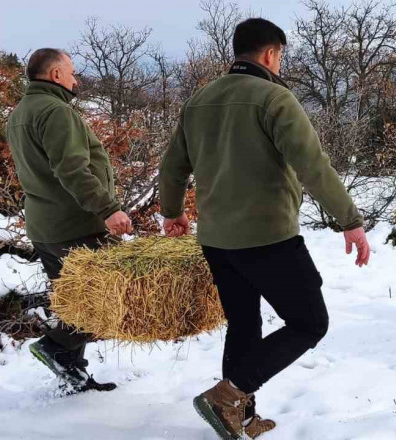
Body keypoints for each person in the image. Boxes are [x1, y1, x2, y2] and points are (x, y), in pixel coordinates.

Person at [157, 18, 371, 439]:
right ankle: (229, 395)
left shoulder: (199, 100)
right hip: (268, 237)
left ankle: (241, 415)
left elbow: (172, 166)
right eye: (281, 57)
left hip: (216, 239)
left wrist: (173, 211)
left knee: (243, 324)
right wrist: (350, 221)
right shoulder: (274, 98)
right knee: (310, 322)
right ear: (272, 54)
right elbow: (313, 165)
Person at [6, 48, 132, 392]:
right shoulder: (56, 112)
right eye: (72, 72)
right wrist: (108, 208)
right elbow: (72, 170)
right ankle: (56, 346)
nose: (76, 80)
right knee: (106, 297)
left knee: (74, 301)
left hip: (45, 228)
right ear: (56, 75)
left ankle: (74, 375)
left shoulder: (19, 113)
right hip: (77, 227)